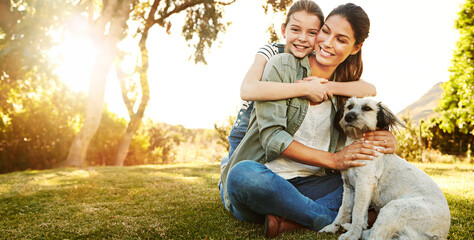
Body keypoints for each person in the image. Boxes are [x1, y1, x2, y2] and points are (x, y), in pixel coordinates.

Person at [220, 2, 396, 238]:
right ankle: (326, 217)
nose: (327, 43)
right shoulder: (281, 64)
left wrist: (387, 140)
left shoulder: (348, 90)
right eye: (325, 31)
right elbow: (272, 138)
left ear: (356, 48)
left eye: (341, 40)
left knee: (378, 184)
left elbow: (368, 106)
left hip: (311, 184)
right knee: (243, 175)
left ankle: (291, 220)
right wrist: (333, 160)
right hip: (267, 177)